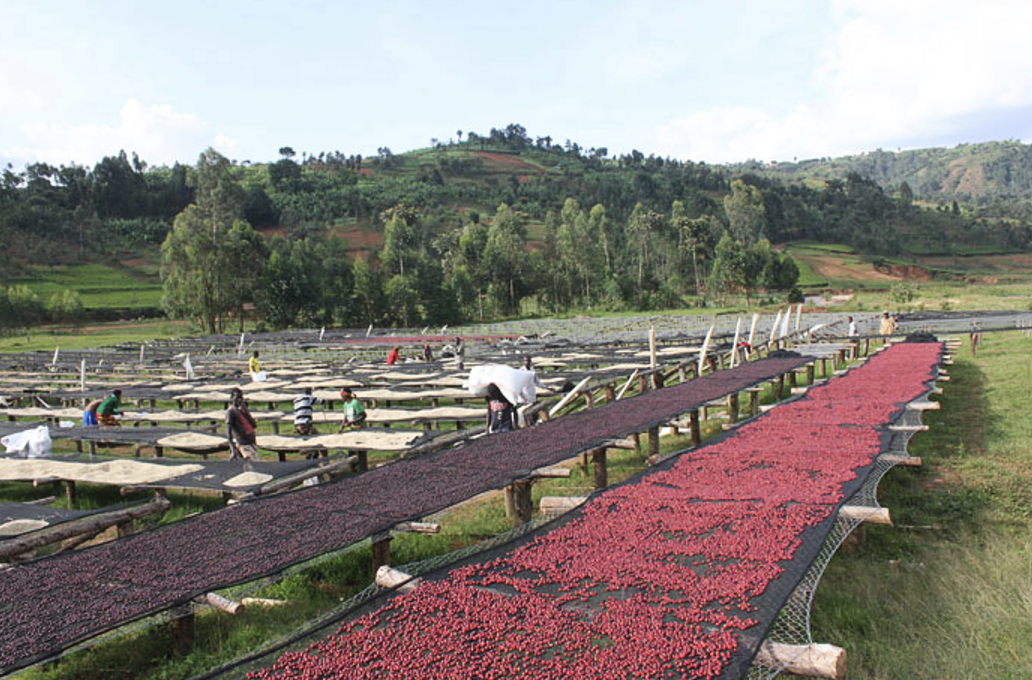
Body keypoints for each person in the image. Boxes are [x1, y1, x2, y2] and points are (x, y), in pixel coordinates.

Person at [226, 387, 259, 460]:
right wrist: (232, 449)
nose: (239, 400)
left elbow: (254, 425)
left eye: (241, 398)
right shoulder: (231, 412)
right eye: (237, 398)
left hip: (251, 442)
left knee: (255, 463)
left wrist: (246, 411)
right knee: (254, 463)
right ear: (232, 398)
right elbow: (229, 433)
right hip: (243, 443)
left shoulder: (242, 410)